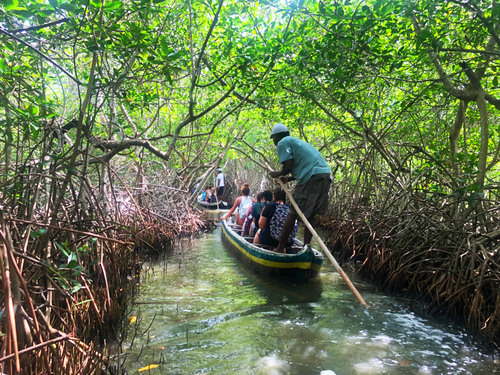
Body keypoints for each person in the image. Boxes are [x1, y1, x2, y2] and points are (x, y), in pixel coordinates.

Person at [269, 123, 332, 253]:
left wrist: (278, 174)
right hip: (325, 176)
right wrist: (289, 179)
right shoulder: (296, 142)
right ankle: (306, 248)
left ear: (277, 136)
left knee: (293, 212)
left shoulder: (283, 143)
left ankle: (280, 248)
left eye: (273, 138)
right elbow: (305, 166)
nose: (274, 142)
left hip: (312, 177)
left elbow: (288, 167)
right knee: (310, 215)